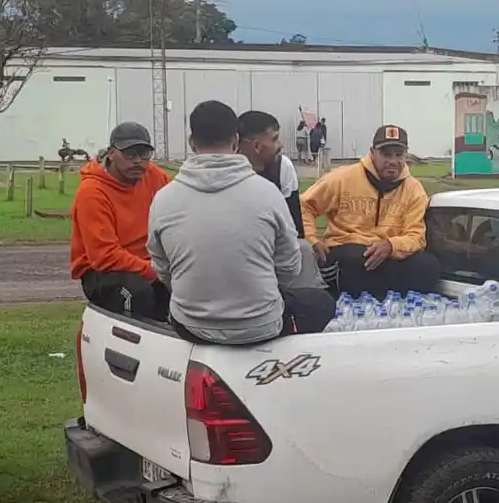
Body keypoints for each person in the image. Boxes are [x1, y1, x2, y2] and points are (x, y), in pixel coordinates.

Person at [148, 101, 335, 344]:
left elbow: (162, 267)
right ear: (236, 141)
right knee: (322, 302)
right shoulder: (267, 194)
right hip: (261, 324)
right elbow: (289, 266)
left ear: (191, 142)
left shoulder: (163, 199)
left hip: (191, 325)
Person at [301, 124, 441, 297]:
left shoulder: (414, 189)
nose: (392, 161)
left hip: (388, 254)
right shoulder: (343, 178)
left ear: (406, 156)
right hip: (349, 251)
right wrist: (313, 240)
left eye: (399, 155)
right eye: (386, 154)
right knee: (356, 260)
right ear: (372, 152)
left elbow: (416, 237)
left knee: (429, 266)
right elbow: (304, 205)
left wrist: (390, 246)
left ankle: (386, 303)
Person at [69, 122, 172, 319]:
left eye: (144, 155)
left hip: (149, 263)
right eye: (130, 154)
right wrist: (153, 271)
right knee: (139, 296)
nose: (138, 161)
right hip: (104, 272)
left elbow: (179, 203)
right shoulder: (92, 193)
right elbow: (104, 257)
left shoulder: (154, 176)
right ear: (111, 153)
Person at [237, 110, 303, 238]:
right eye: (275, 139)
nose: (280, 146)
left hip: (274, 249)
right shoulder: (225, 173)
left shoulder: (283, 167)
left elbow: (294, 228)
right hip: (237, 247)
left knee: (304, 249)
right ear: (256, 146)